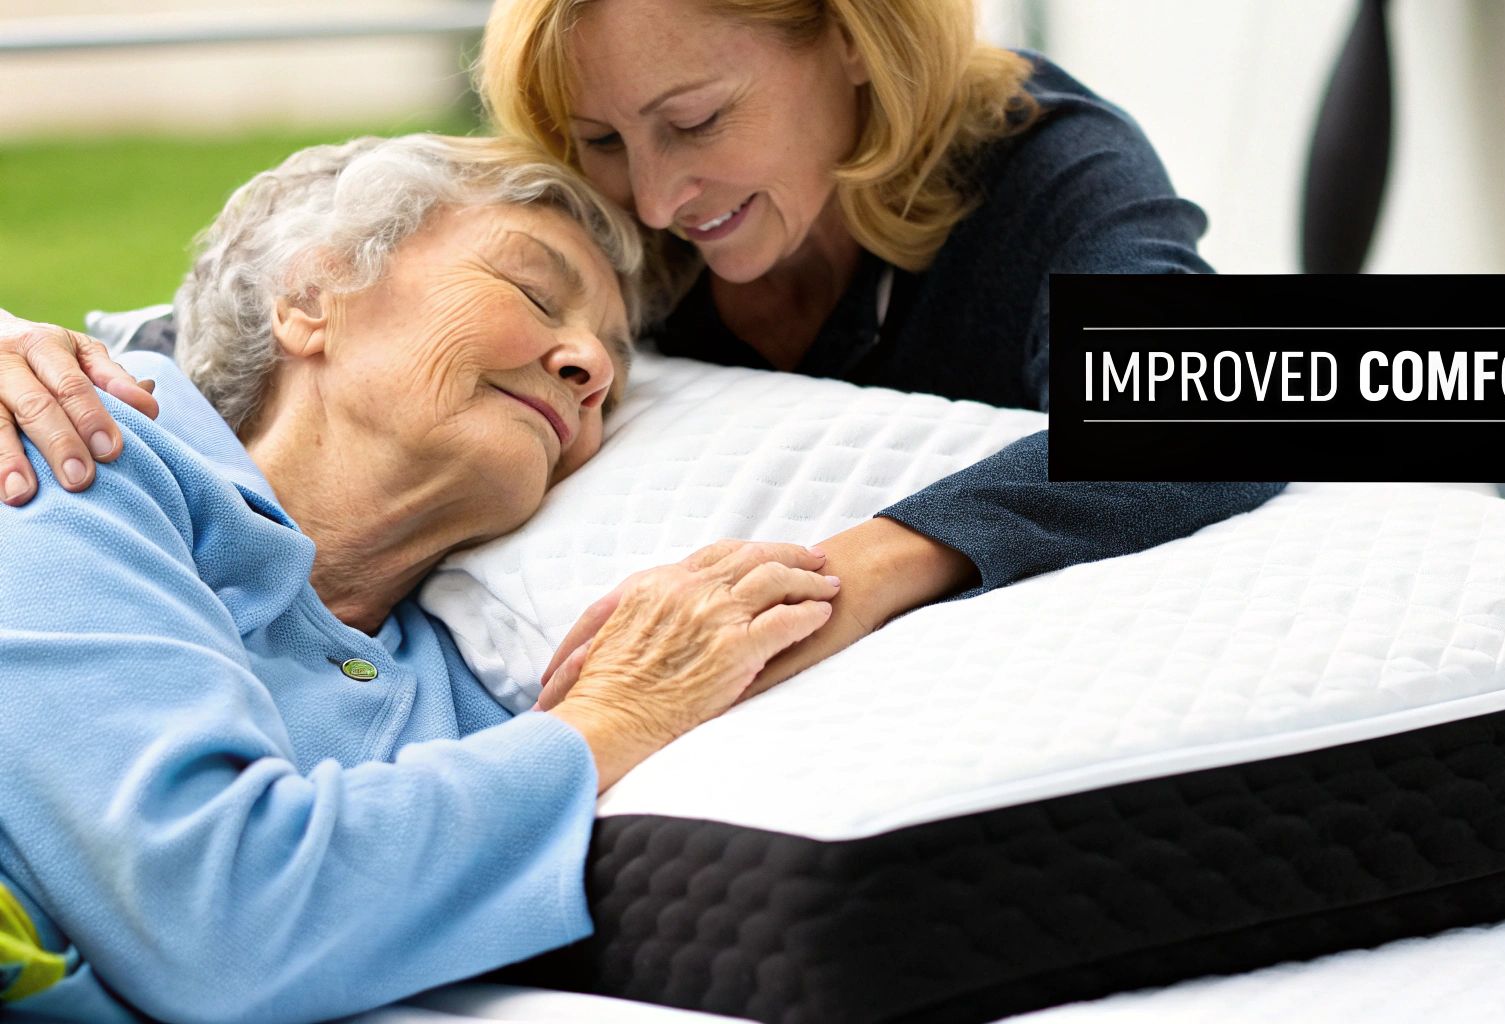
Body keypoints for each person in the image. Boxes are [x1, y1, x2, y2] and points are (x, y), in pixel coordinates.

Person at [0, 0, 1287, 691]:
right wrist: (28, 349)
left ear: (849, 37)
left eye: (696, 120)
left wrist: (858, 567)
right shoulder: (594, 200)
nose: (658, 199)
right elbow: (310, 297)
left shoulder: (1035, 169)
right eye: (607, 140)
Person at [0, 133, 845, 1023]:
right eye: (533, 293)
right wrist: (615, 718)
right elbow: (218, 917)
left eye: (615, 371)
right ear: (311, 297)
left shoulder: (470, 690)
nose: (592, 369)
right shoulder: (76, 445)